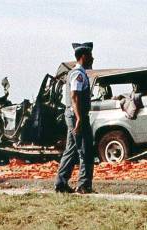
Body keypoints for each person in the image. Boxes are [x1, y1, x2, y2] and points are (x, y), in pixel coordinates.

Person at [55, 42, 95, 193]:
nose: (92, 58)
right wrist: (79, 118)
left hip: (71, 114)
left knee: (71, 150)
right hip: (77, 115)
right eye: (90, 55)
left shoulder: (74, 73)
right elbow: (75, 96)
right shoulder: (78, 74)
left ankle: (61, 183)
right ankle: (84, 185)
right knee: (85, 150)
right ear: (83, 56)